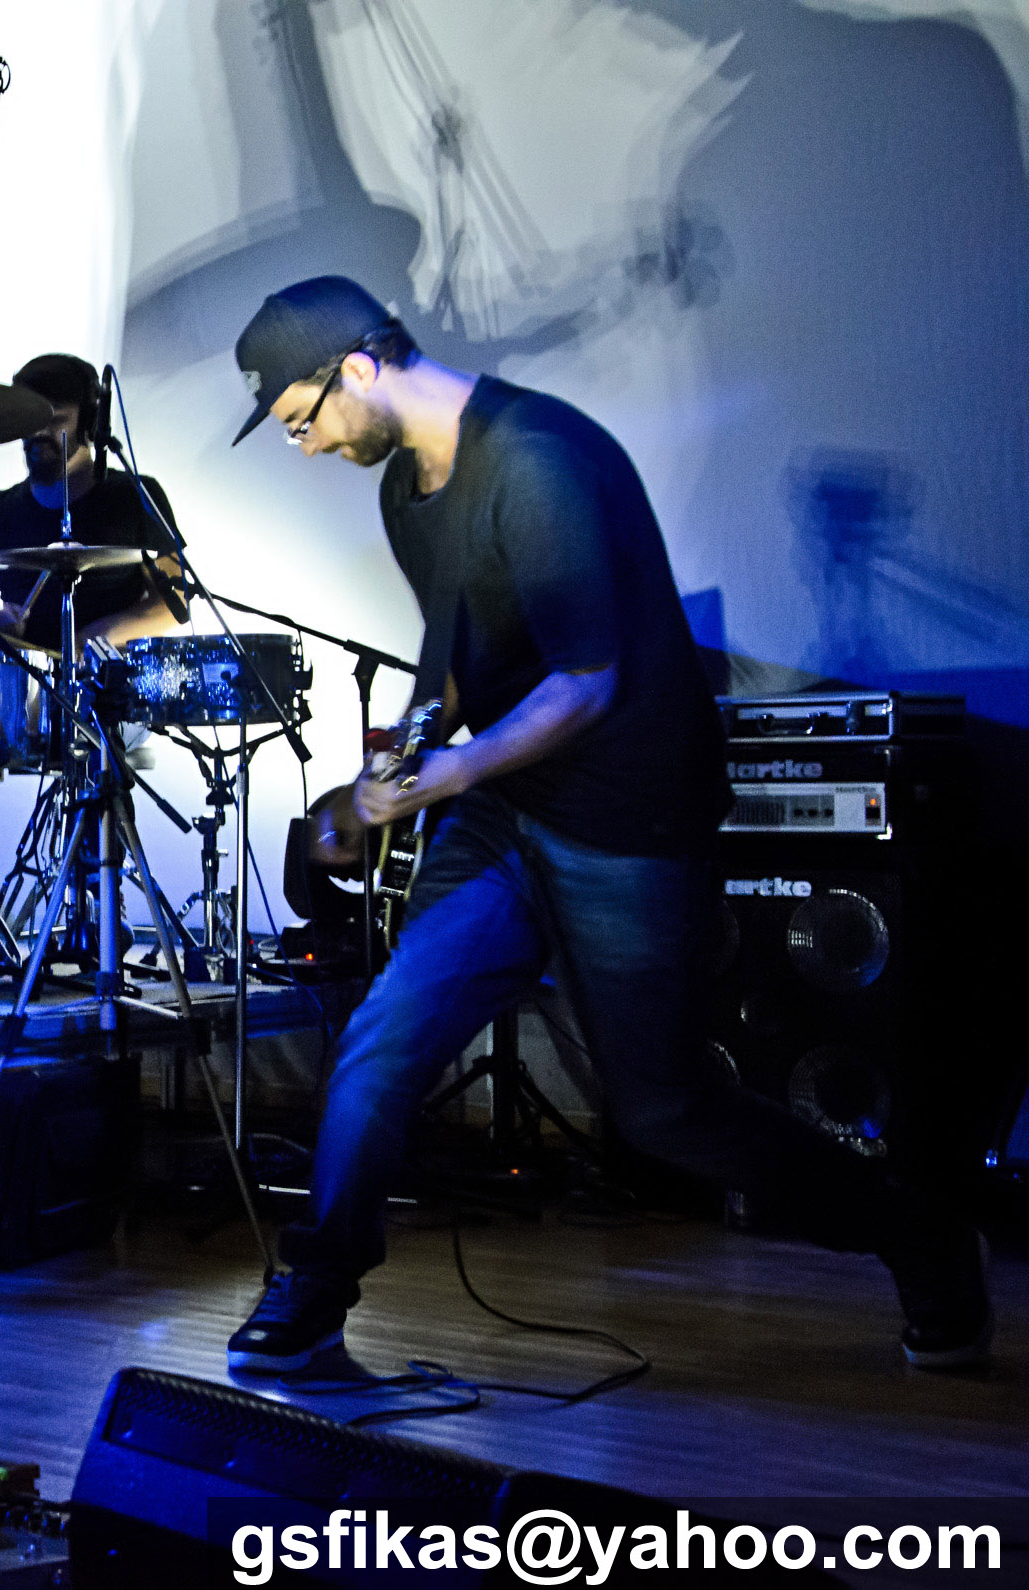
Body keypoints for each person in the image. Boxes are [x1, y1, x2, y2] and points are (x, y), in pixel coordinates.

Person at [221, 276, 991, 1373]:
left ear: (357, 367)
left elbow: (587, 685)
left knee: (665, 1112)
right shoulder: (406, 487)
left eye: (303, 420)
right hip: (508, 810)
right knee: (387, 1033)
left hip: (627, 817)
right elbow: (460, 653)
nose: (306, 447)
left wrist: (442, 777)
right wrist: (392, 763)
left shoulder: (541, 463)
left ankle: (920, 1235)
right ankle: (316, 1284)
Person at [0, 353, 186, 652]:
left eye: (55, 421)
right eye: (32, 421)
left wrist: (90, 642)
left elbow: (174, 604)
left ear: (90, 423)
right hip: (25, 679)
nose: (39, 433)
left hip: (108, 675)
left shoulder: (136, 496)